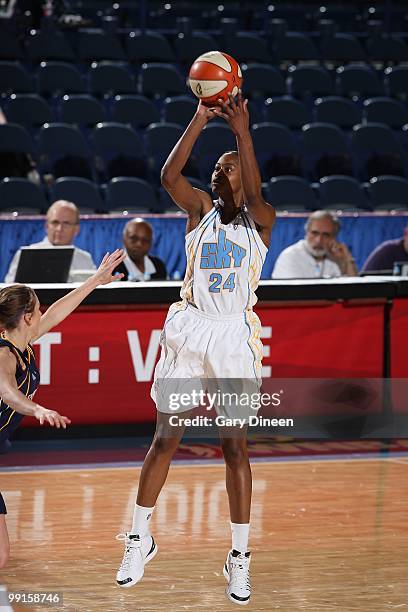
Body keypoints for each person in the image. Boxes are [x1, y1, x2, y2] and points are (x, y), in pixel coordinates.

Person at [115, 92, 276, 606]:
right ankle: (139, 537)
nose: (217, 172)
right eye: (216, 167)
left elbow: (252, 189)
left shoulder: (261, 219)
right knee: (165, 437)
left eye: (228, 168)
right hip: (190, 325)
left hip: (232, 335)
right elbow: (168, 177)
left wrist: (241, 135)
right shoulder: (200, 211)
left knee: (234, 446)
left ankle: (239, 558)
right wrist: (199, 117)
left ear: (246, 177)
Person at [0, 249, 125, 569]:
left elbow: (57, 312)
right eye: (38, 309)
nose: (43, 314)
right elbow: (8, 393)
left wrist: (95, 281)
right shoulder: (4, 355)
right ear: (27, 317)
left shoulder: (22, 341)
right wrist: (36, 409)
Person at [4, 200, 96, 283]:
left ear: (76, 229)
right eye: (55, 222)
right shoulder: (25, 255)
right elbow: (10, 293)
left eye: (66, 223)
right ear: (47, 226)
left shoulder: (85, 259)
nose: (59, 229)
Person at [272, 210, 358, 279]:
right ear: (306, 232)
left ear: (334, 238)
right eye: (314, 233)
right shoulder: (290, 256)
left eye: (326, 235)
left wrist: (347, 259)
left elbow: (355, 291)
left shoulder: (336, 257)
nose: (319, 240)